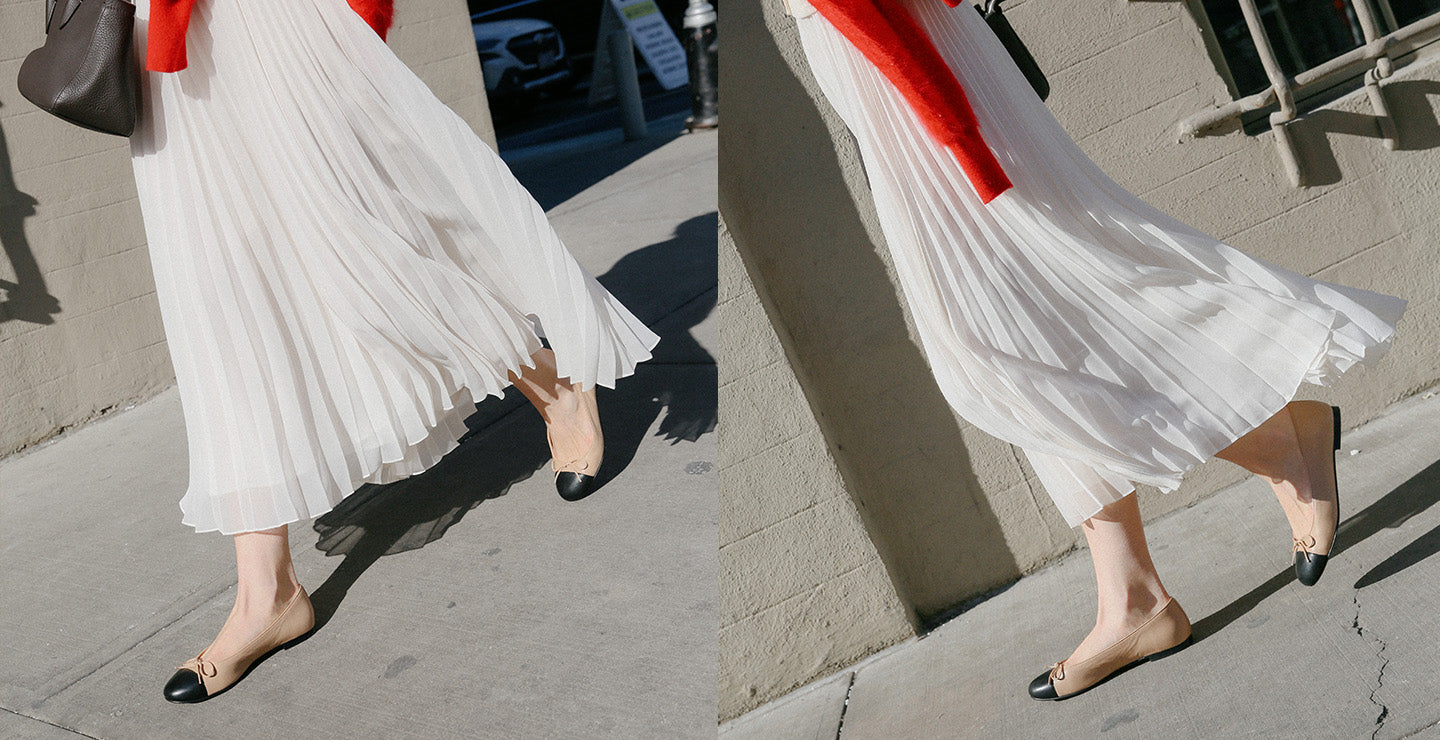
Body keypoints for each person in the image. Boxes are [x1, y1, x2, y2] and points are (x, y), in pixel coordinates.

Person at [780, 0, 1406, 700]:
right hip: (881, 60)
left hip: (903, 54)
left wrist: (952, 124)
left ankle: (1273, 444)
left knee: (1009, 332)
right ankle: (1132, 594)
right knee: (1021, 337)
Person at [126, 0, 659, 702]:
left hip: (265, 18)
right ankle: (268, 595)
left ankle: (553, 385)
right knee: (223, 300)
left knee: (369, 251)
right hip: (161, 45)